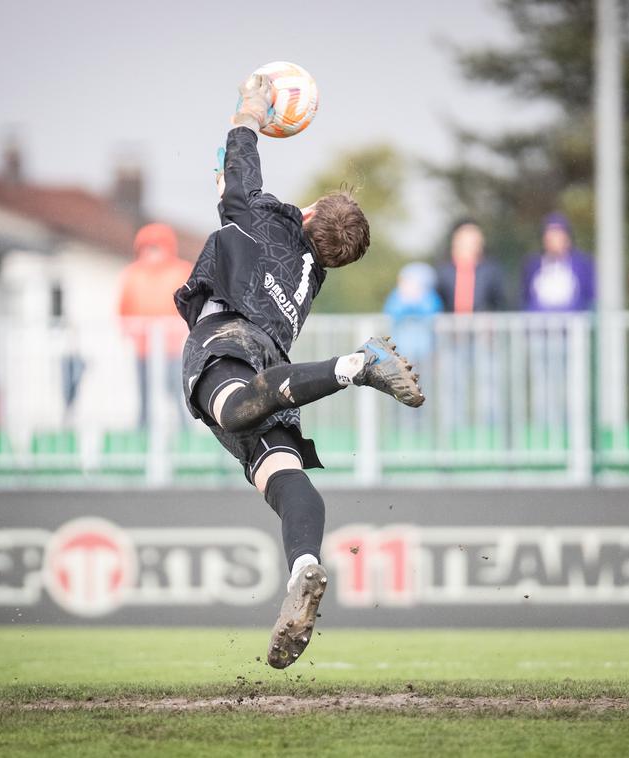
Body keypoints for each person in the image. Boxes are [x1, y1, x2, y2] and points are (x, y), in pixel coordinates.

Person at [175, 75, 424, 669]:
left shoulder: (262, 217)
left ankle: (357, 364)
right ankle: (306, 567)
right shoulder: (313, 272)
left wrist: (252, 109)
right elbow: (270, 209)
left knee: (234, 407)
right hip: (273, 363)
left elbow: (239, 166)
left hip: (226, 338)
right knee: (285, 479)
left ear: (310, 211)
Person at [118, 222, 193, 429]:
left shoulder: (180, 271)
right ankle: (143, 433)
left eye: (157, 246)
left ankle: (186, 431)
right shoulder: (133, 274)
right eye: (148, 247)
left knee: (178, 392)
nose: (153, 252)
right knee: (144, 395)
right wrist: (128, 331)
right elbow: (123, 308)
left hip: (172, 349)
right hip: (143, 349)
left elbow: (191, 304)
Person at [521, 213, 595, 312]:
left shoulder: (582, 264)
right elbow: (526, 298)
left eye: (557, 236)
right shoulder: (533, 265)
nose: (553, 241)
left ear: (567, 239)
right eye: (549, 237)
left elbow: (590, 298)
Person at [435, 219, 507, 313]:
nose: (470, 244)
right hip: (451, 325)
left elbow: (499, 301)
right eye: (466, 239)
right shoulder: (443, 271)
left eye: (474, 239)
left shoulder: (490, 270)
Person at [383, 262, 442, 367]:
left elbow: (433, 309)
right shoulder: (397, 295)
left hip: (424, 347)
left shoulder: (428, 296)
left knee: (423, 374)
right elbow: (391, 311)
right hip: (401, 346)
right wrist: (406, 302)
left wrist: (416, 301)